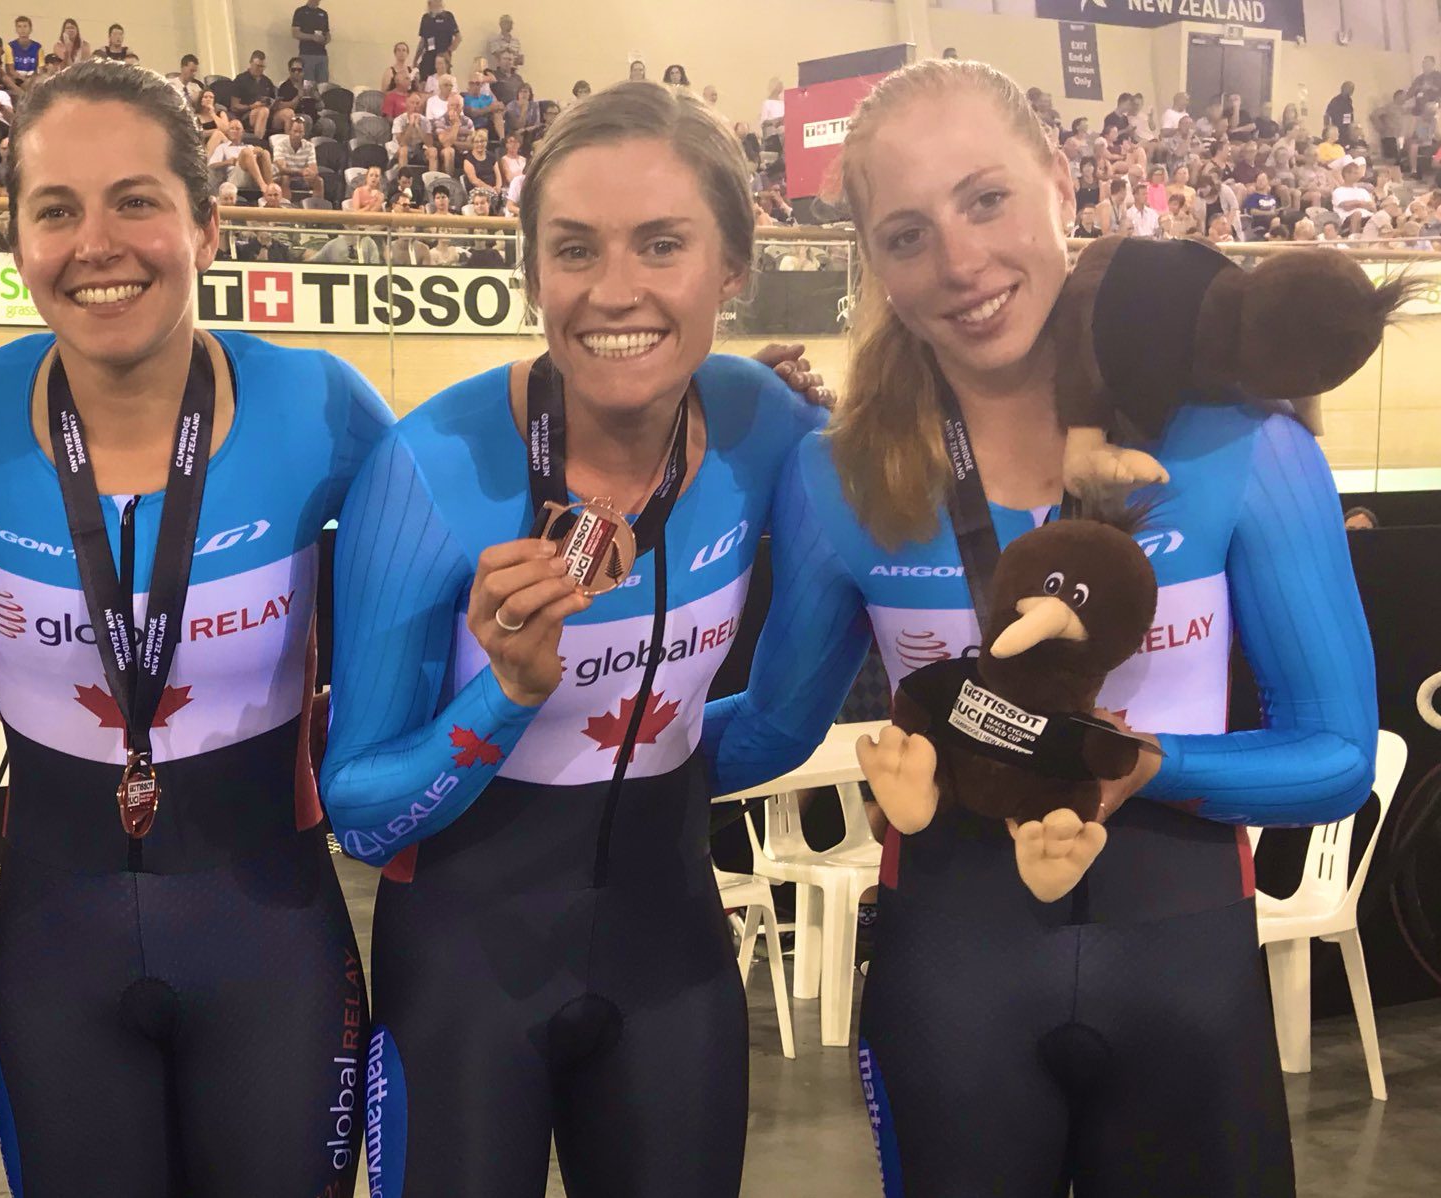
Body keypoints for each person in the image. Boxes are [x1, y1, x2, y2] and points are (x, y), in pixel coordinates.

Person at [710, 58, 1375, 1197]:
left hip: (1184, 985)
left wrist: (1141, 765)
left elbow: (1333, 759)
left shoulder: (1241, 443)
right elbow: (771, 729)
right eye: (906, 234)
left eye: (985, 200)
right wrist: (546, 727)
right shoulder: (837, 478)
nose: (961, 265)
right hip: (950, 988)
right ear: (869, 261)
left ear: (1059, 182)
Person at [0, 59, 393, 1196]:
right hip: (52, 947)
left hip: (271, 943)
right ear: (14, 238)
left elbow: (449, 556)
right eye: (55, 209)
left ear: (206, 224)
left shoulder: (324, 407)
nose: (96, 242)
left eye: (136, 201)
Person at [322, 81, 822, 1198]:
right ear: (531, 271)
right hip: (462, 981)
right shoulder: (427, 467)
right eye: (574, 249)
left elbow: (780, 720)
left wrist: (662, 769)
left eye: (660, 245)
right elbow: (359, 810)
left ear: (732, 267)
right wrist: (499, 697)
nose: (614, 291)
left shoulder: (766, 426)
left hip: (672, 965)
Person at [231, 50, 278, 139]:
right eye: (257, 66)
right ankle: (258, 144)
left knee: (288, 113)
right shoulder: (240, 79)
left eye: (262, 67)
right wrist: (251, 106)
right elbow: (234, 106)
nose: (260, 69)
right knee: (263, 111)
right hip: (248, 114)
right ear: (251, 63)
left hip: (268, 112)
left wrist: (274, 103)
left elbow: (272, 99)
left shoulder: (266, 81)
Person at [416, 0, 459, 81]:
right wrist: (415, 59)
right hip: (428, 56)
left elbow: (458, 37)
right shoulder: (426, 18)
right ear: (429, 3)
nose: (438, 3)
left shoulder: (448, 16)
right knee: (425, 81)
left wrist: (448, 51)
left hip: (442, 57)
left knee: (443, 81)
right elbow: (422, 41)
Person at [292, 0, 330, 86]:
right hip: (307, 54)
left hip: (322, 55)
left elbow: (327, 33)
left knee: (323, 85)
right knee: (308, 85)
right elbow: (295, 33)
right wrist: (312, 37)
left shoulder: (323, 14)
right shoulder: (300, 12)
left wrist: (325, 39)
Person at [7, 15, 41, 83]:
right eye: (19, 26)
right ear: (16, 30)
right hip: (17, 79)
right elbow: (11, 70)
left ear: (30, 29)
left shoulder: (38, 47)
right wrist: (23, 79)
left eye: (25, 26)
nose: (22, 29)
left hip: (32, 79)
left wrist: (31, 79)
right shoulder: (10, 46)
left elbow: (40, 69)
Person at [1325, 81, 1357, 145]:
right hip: (1338, 131)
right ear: (1343, 88)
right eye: (1350, 89)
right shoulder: (1335, 101)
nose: (1351, 91)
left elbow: (1349, 115)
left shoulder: (1349, 101)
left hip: (1347, 132)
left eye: (1352, 89)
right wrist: (1327, 130)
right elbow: (1327, 115)